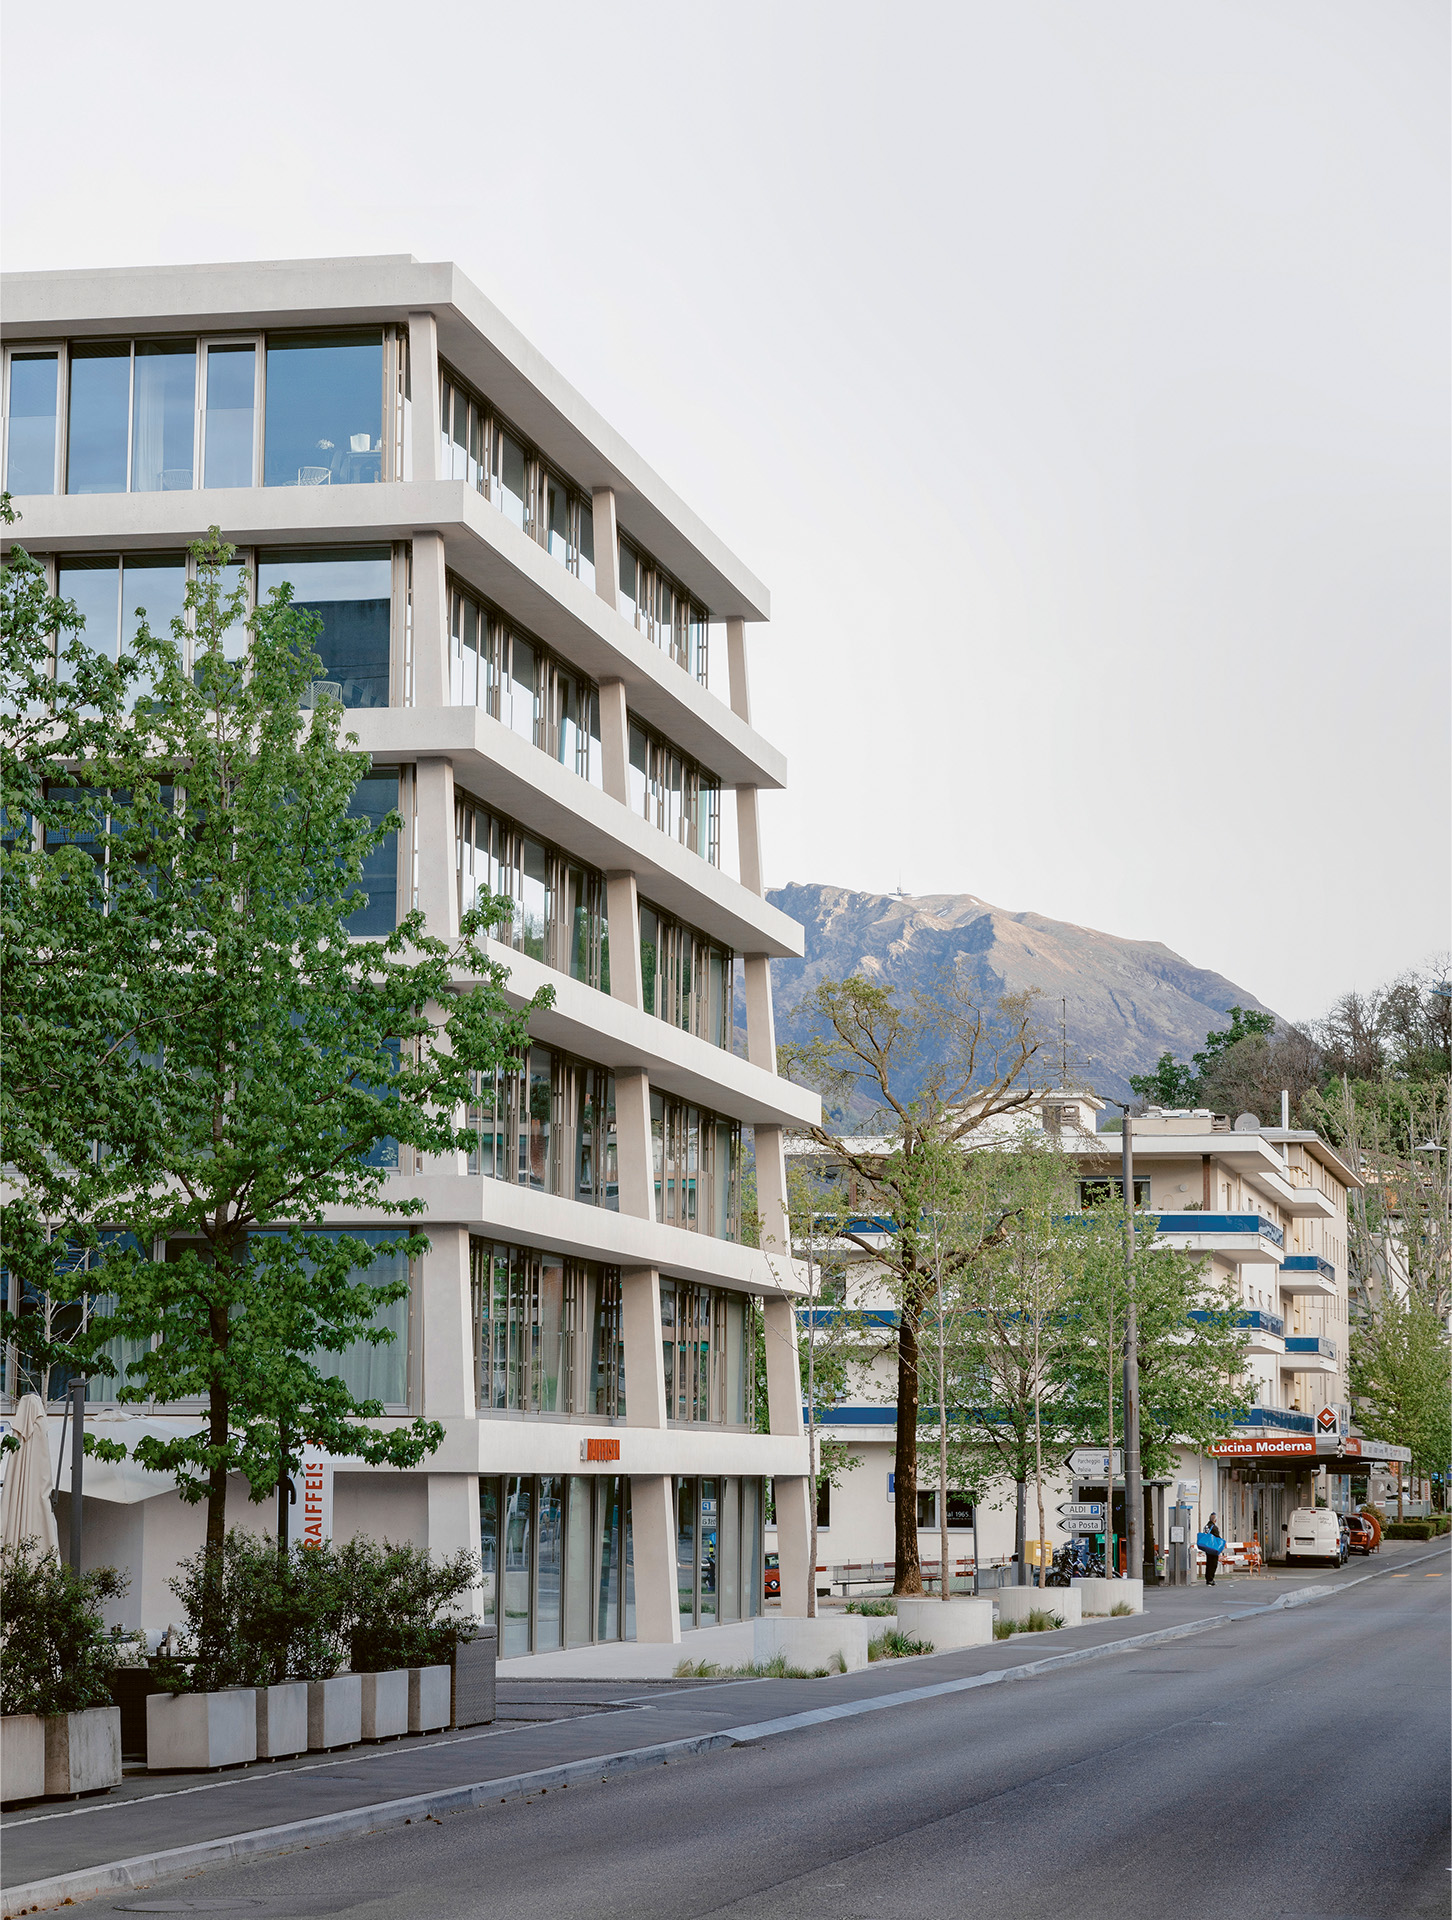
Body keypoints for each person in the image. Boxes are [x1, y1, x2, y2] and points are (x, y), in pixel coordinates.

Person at [1200, 1512, 1225, 1587]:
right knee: (1213, 1564)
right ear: (1215, 1520)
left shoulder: (1206, 1527)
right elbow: (1217, 1537)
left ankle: (1208, 1579)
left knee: (1208, 1563)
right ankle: (1211, 1579)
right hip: (1213, 1548)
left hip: (1207, 1547)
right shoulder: (1214, 1527)